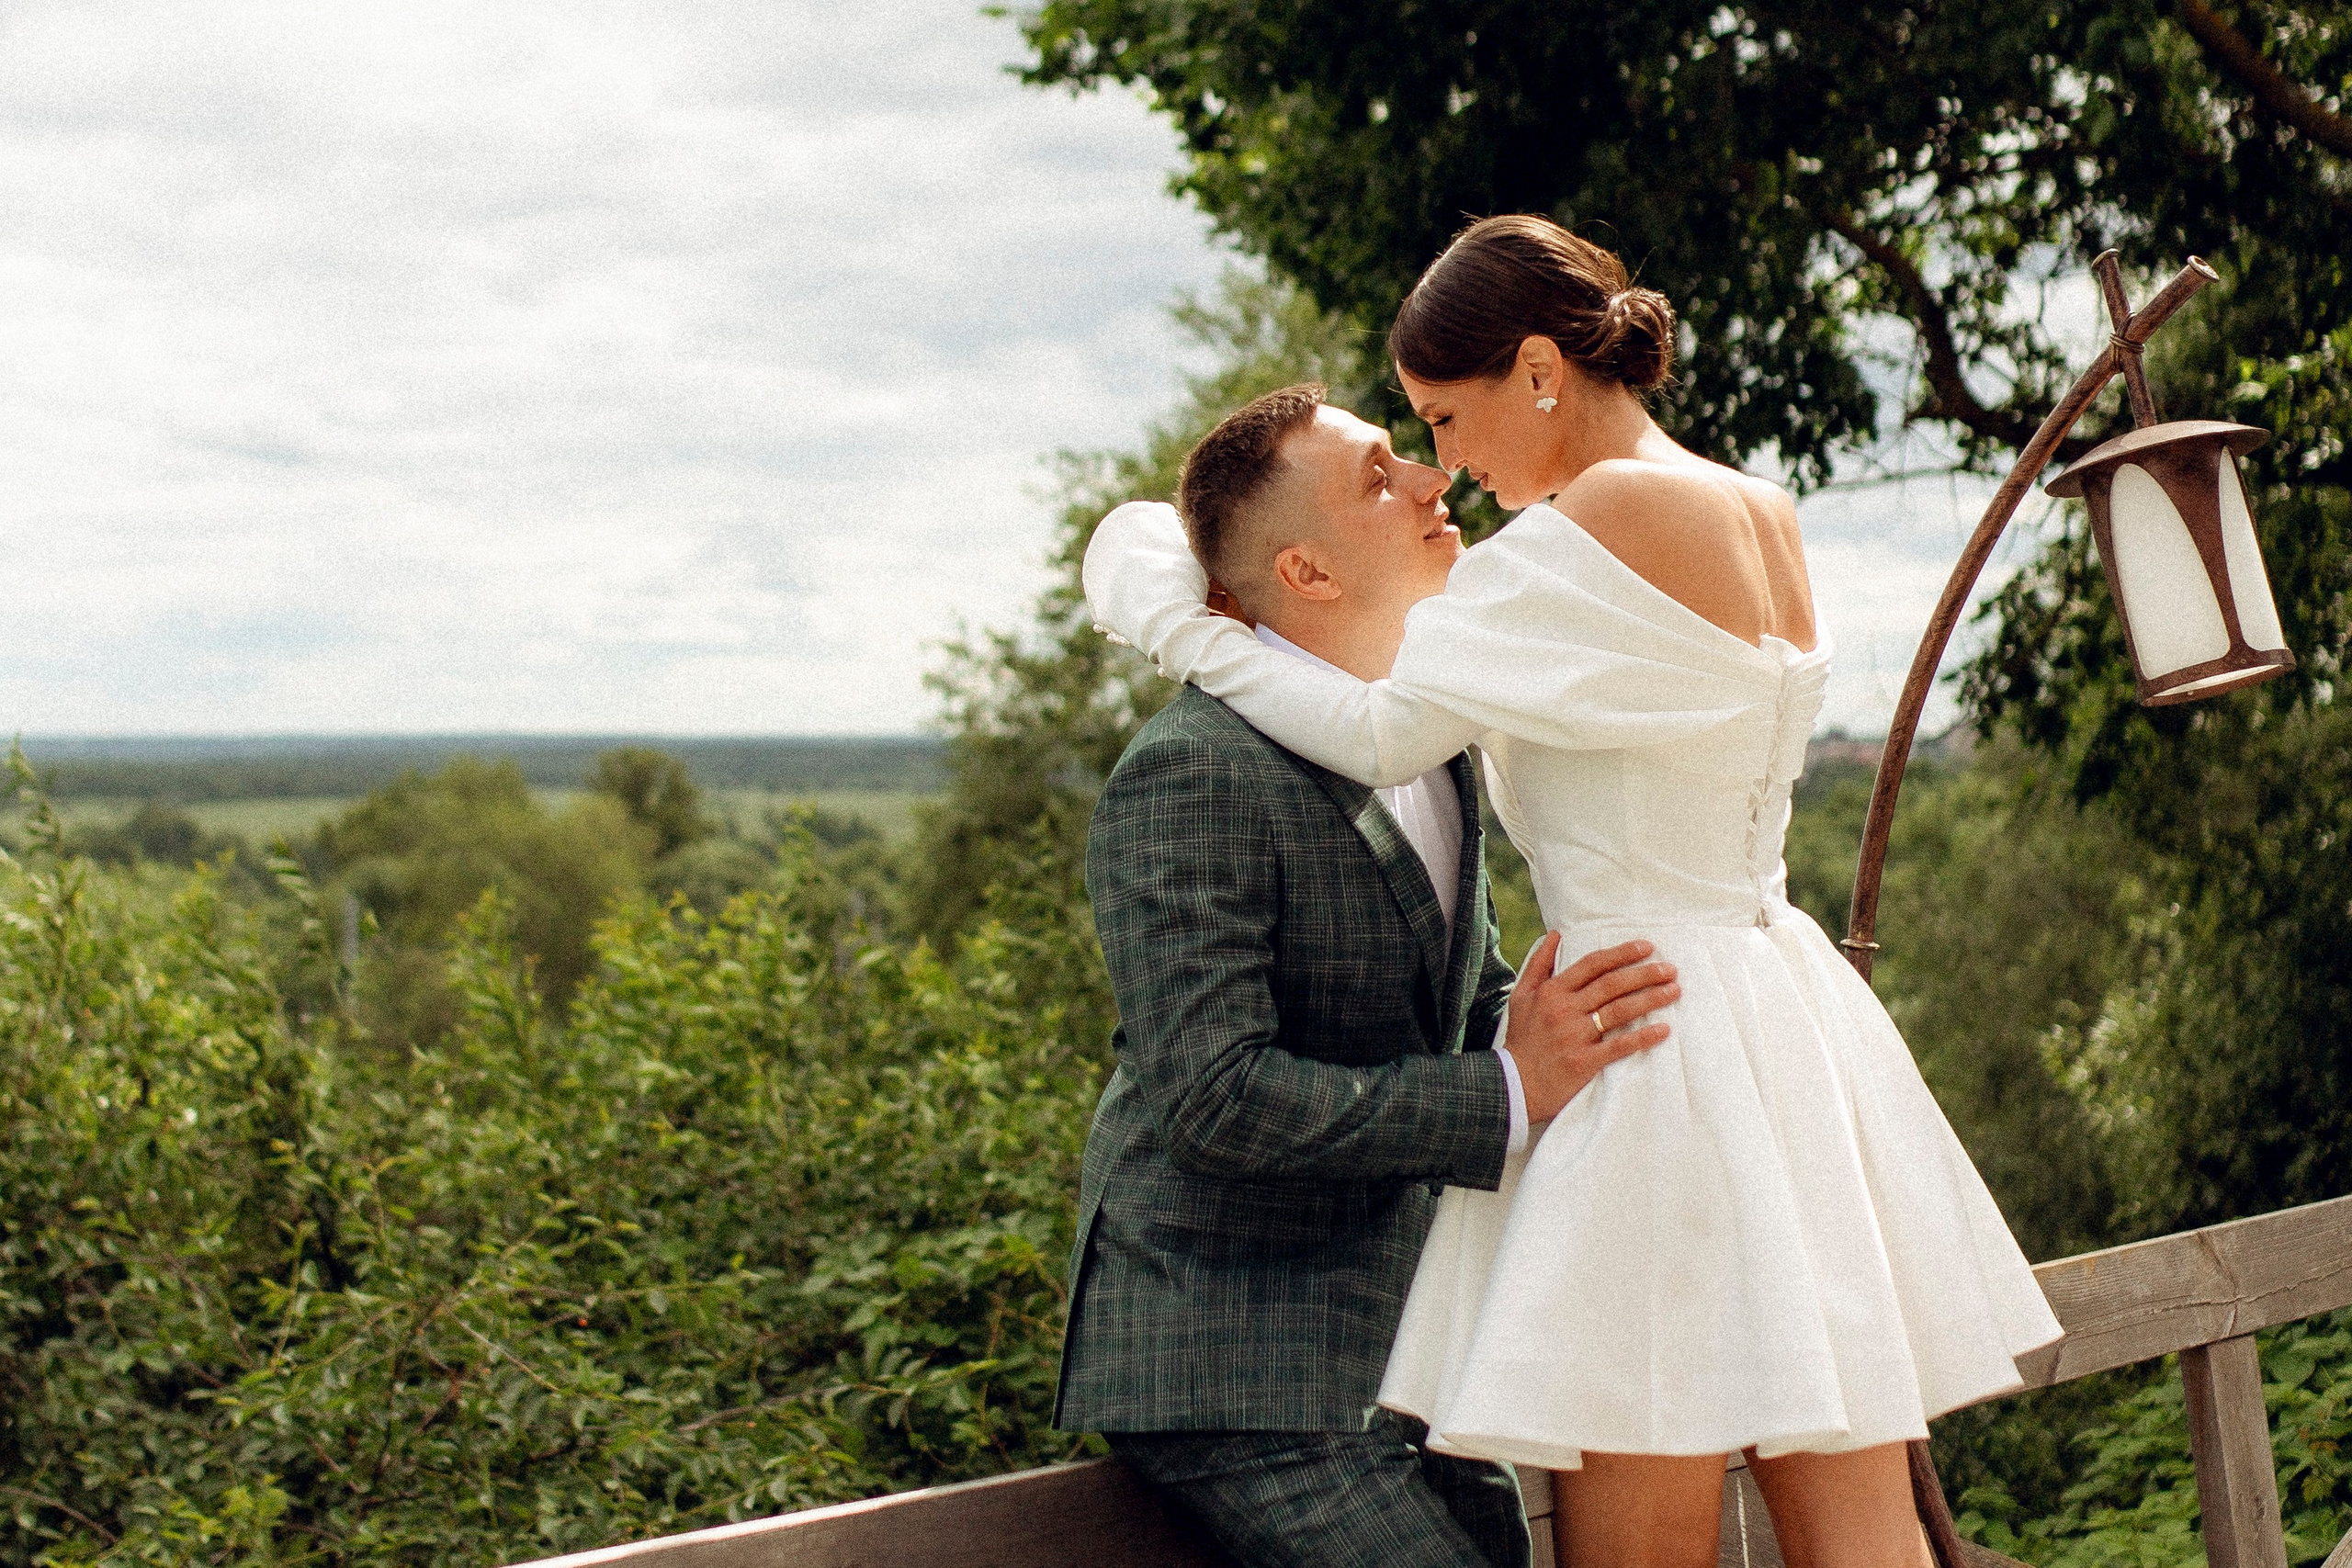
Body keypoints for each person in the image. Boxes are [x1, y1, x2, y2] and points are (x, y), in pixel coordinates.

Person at [1083, 216, 2065, 1568]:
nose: (1446, 465)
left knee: (1641, 1537)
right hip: (1780, 1018)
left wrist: (1185, 624)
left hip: (1644, 1041)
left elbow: (1377, 730)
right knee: (1860, 1532)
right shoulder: (1759, 510)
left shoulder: (1576, 535)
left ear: (1541, 372)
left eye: (1445, 417)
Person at [1057, 381, 1685, 1568]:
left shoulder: (1427, 746)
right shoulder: (1193, 773)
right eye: (1381, 476)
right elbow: (1215, 1100)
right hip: (1233, 1366)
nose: (1432, 480)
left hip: (1404, 1349)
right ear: (1305, 572)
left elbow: (1470, 996)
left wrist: (1622, 1020)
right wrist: (1507, 1091)